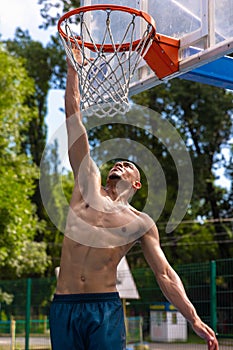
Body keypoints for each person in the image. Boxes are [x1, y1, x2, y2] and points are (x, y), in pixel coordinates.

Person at [49, 48, 219, 350]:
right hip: (64, 305)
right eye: (118, 162)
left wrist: (193, 317)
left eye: (128, 165)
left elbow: (165, 274)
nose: (120, 164)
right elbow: (74, 117)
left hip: (104, 307)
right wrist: (73, 69)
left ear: (136, 183)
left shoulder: (140, 222)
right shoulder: (87, 184)